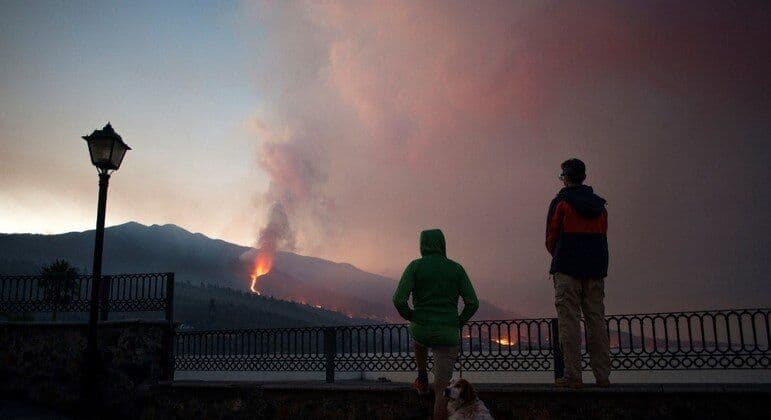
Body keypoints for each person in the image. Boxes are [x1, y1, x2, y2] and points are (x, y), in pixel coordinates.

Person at [393, 229, 479, 420]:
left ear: (422, 245)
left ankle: (422, 376)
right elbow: (473, 302)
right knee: (441, 392)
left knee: (418, 338)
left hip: (421, 329)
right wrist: (458, 322)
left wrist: (412, 316)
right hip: (448, 334)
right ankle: (428, 383)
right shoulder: (456, 269)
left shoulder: (415, 267)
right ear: (442, 244)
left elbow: (399, 299)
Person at [546, 158, 611, 389]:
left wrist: (561, 255)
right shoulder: (600, 206)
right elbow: (603, 236)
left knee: (569, 322)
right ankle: (602, 376)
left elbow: (551, 239)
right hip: (595, 270)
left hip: (567, 269)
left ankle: (573, 375)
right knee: (596, 321)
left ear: (566, 177)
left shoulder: (561, 203)